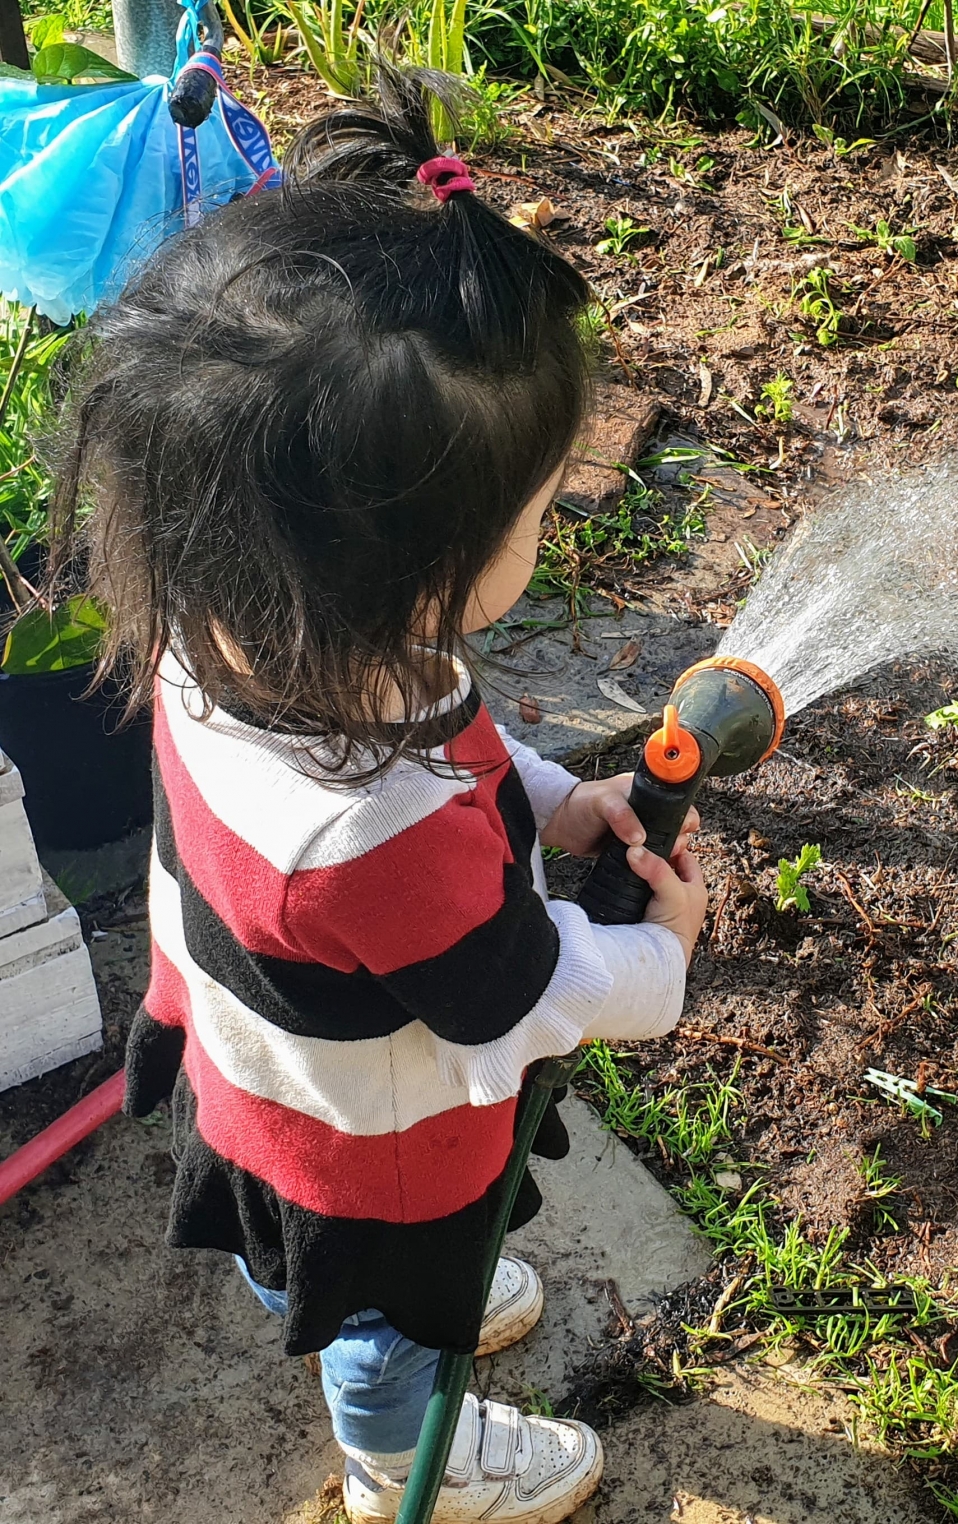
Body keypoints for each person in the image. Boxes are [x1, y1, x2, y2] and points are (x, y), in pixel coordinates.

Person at [49, 64, 707, 1524]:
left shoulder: (244, 638)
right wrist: (656, 961)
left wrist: (546, 802)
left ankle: (418, 1333)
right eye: (539, 515)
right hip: (365, 1146)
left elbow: (454, 743)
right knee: (380, 1323)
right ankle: (408, 1453)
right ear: (416, 570)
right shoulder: (361, 840)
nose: (547, 530)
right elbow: (512, 995)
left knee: (387, 1292)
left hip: (282, 1062)